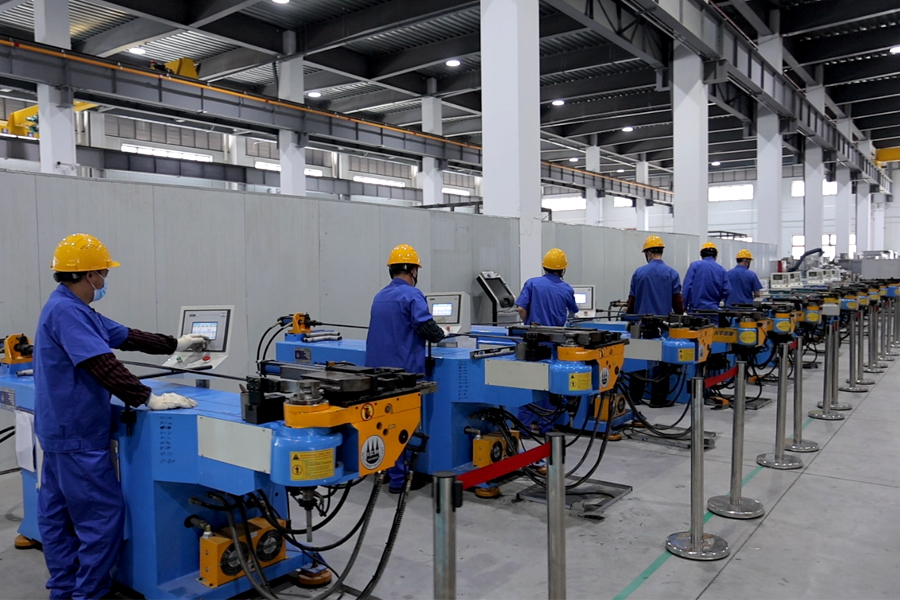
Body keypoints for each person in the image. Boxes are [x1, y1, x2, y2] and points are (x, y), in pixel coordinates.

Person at [33, 233, 204, 600]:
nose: (105, 279)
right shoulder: (68, 312)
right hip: (78, 436)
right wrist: (148, 398)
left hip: (59, 432)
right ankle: (90, 593)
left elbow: (125, 336)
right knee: (102, 516)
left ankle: (64, 589)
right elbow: (101, 363)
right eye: (104, 273)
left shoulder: (69, 307)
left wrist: (175, 343)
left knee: (57, 514)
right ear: (91, 274)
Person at [365, 244, 445, 494]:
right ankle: (400, 480)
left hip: (376, 373)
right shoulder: (412, 295)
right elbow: (427, 328)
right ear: (413, 270)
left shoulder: (380, 296)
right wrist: (441, 334)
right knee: (401, 426)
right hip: (403, 373)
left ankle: (386, 471)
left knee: (383, 424)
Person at [515, 248, 579, 434]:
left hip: (533, 343)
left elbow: (520, 308)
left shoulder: (532, 283)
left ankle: (523, 427)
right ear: (563, 269)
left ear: (544, 267)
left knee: (530, 384)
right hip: (555, 344)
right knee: (552, 386)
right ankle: (546, 427)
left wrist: (528, 324)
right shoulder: (567, 288)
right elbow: (574, 312)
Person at [627, 235, 683, 315]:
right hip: (664, 321)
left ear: (648, 253)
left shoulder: (638, 273)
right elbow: (677, 303)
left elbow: (632, 301)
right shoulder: (672, 274)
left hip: (642, 321)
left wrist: (628, 316)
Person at [682, 242, 731, 312]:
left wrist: (684, 307)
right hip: (714, 311)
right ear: (716, 256)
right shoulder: (721, 270)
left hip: (695, 311)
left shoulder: (695, 266)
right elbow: (727, 290)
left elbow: (687, 287)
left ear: (702, 255)